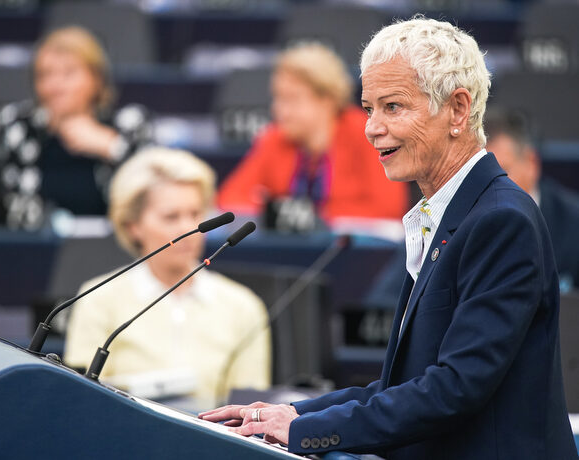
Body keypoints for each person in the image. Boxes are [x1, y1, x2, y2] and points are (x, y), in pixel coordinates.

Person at [200, 17, 577, 459]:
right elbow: (404, 386)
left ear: (458, 109)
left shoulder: (500, 220)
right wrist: (292, 413)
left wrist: (304, 430)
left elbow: (454, 389)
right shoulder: (455, 211)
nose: (371, 128)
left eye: (393, 107)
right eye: (368, 108)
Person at [64, 147, 271, 409]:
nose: (189, 229)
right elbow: (83, 400)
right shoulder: (97, 297)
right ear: (133, 226)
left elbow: (249, 411)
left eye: (196, 214)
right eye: (171, 216)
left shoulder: (243, 306)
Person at [0, 26, 151, 230]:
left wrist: (111, 147)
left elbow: (159, 193)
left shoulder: (128, 125)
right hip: (31, 252)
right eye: (44, 75)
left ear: (96, 79)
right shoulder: (17, 127)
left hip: (112, 253)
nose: (54, 86)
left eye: (68, 73)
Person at [217, 43, 408, 224]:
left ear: (327, 100)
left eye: (291, 99)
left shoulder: (367, 134)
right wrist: (273, 210)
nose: (279, 110)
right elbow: (229, 198)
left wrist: (311, 217)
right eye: (277, 98)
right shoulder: (275, 138)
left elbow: (388, 209)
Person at [486, 106, 579, 291]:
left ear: (531, 163)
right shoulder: (460, 224)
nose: (489, 185)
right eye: (481, 174)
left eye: (501, 172)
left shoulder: (574, 223)